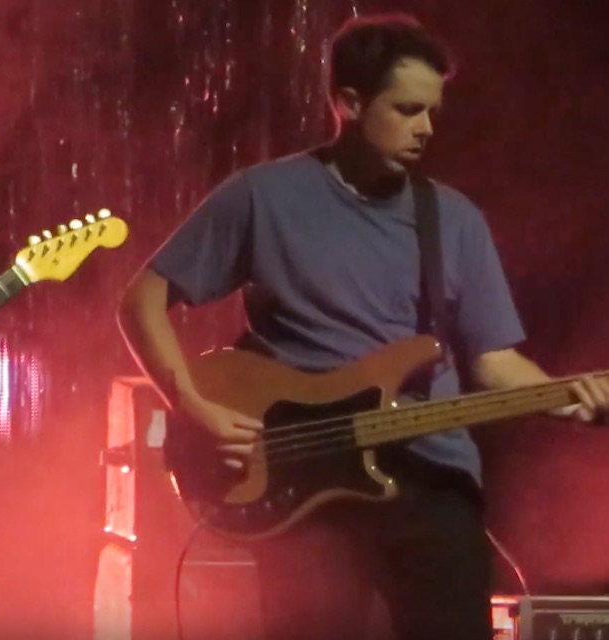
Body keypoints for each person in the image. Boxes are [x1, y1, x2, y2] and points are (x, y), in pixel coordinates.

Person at [117, 13, 609, 640]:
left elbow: (495, 363)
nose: (426, 128)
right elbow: (142, 299)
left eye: (432, 111)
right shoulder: (262, 196)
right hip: (303, 488)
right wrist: (191, 405)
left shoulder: (454, 220)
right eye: (407, 109)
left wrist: (567, 397)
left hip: (431, 481)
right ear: (348, 103)